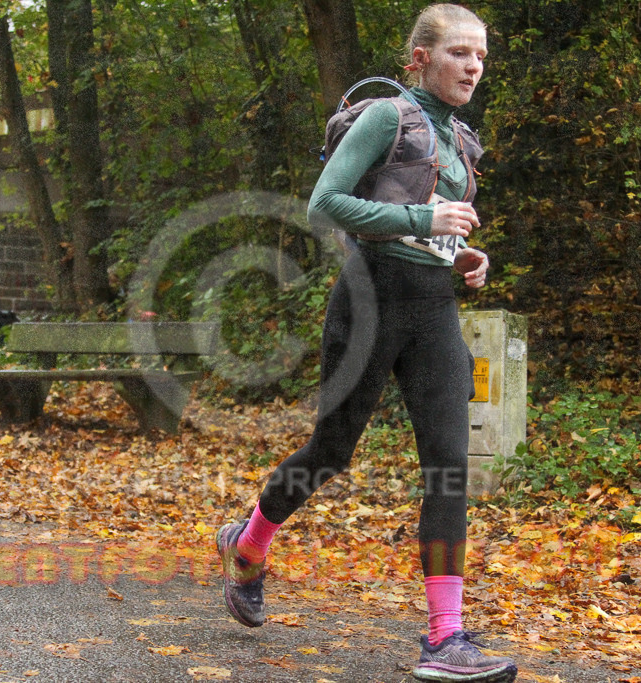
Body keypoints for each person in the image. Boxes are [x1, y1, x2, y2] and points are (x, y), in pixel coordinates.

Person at [215, 5, 517, 682]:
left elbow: (430, 227)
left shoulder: (460, 138)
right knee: (332, 449)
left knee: (448, 464)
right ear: (419, 59)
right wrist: (422, 217)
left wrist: (461, 254)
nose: (473, 66)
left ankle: (446, 639)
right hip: (369, 298)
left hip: (432, 304)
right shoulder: (387, 115)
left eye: (481, 56)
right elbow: (325, 204)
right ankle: (250, 540)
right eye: (459, 53)